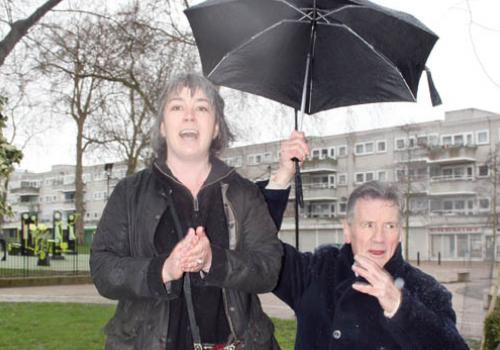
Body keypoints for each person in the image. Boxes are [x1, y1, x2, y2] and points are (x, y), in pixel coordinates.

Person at [90, 73, 283, 350]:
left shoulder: (244, 194)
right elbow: (103, 269)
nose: (190, 116)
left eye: (202, 108)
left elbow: (269, 268)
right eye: (177, 106)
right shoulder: (129, 193)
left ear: (216, 127)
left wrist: (213, 261)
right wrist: (162, 270)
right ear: (162, 127)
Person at [261, 131, 469, 350]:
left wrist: (400, 306)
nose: (379, 238)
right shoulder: (316, 272)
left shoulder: (426, 291)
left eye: (389, 226)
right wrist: (283, 175)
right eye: (368, 225)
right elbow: (257, 246)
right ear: (348, 230)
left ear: (400, 231)